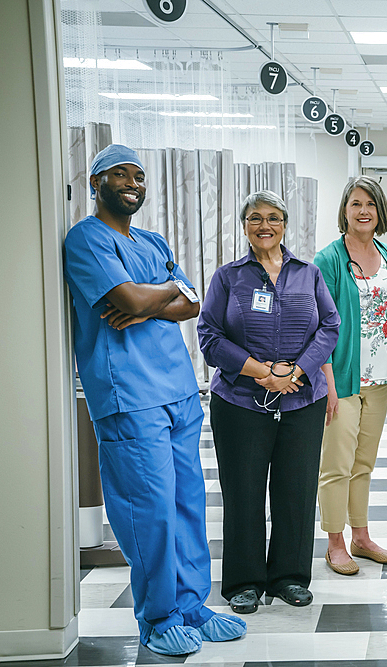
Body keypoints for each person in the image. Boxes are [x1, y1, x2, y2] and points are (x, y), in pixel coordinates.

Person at [63, 144, 245, 655]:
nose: (132, 182)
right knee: (150, 510)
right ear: (97, 183)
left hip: (179, 390)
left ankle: (191, 604)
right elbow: (129, 299)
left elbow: (193, 303)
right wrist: (155, 295)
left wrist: (151, 297)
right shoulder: (85, 240)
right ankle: (159, 617)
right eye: (119, 174)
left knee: (188, 502)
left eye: (139, 176)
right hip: (128, 394)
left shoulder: (153, 238)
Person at [198, 191, 341, 613]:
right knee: (243, 493)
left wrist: (296, 372)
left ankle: (290, 578)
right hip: (241, 400)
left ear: (285, 224)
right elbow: (209, 336)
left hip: (301, 398)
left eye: (274, 218)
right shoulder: (228, 277)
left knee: (295, 492)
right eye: (256, 218)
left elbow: (330, 326)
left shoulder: (308, 273)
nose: (265, 225)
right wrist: (261, 372)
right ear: (244, 225)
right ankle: (244, 582)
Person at [313, 177, 387, 575]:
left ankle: (361, 536)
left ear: (380, 212)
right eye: (355, 203)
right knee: (336, 464)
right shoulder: (330, 260)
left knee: (364, 464)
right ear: (344, 210)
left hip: (380, 377)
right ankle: (335, 543)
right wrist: (327, 382)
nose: (363, 211)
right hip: (342, 377)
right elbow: (317, 322)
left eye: (370, 204)